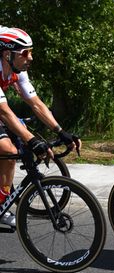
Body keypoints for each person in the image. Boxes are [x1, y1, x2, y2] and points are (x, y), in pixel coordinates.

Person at [0, 26, 80, 227]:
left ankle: (1, 203)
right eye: (25, 53)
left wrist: (61, 131)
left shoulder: (18, 70)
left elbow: (35, 103)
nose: (31, 58)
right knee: (8, 149)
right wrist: (32, 140)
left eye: (31, 52)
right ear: (7, 54)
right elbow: (4, 112)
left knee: (19, 145)